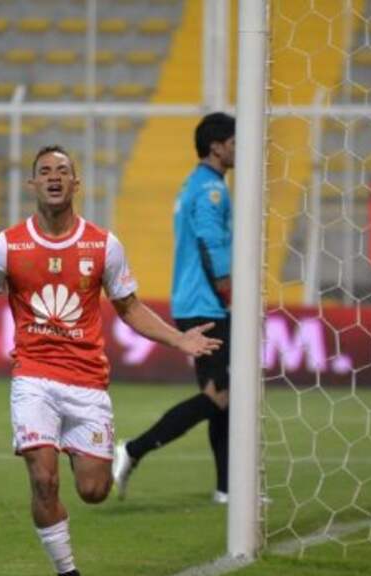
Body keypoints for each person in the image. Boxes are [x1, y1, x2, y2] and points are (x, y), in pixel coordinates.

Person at [0, 145, 222, 576]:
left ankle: (85, 498)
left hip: (87, 381)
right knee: (43, 477)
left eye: (63, 171)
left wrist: (179, 340)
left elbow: (130, 308)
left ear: (76, 184)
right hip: (33, 377)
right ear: (32, 185)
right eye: (45, 172)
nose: (54, 177)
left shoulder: (103, 245)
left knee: (93, 490)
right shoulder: (7, 245)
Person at [112, 112, 236, 504]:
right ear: (217, 146)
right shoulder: (211, 191)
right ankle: (133, 449)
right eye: (235, 141)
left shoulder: (194, 185)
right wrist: (228, 290)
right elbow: (209, 242)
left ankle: (226, 490)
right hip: (207, 304)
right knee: (219, 395)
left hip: (195, 300)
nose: (239, 149)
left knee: (222, 397)